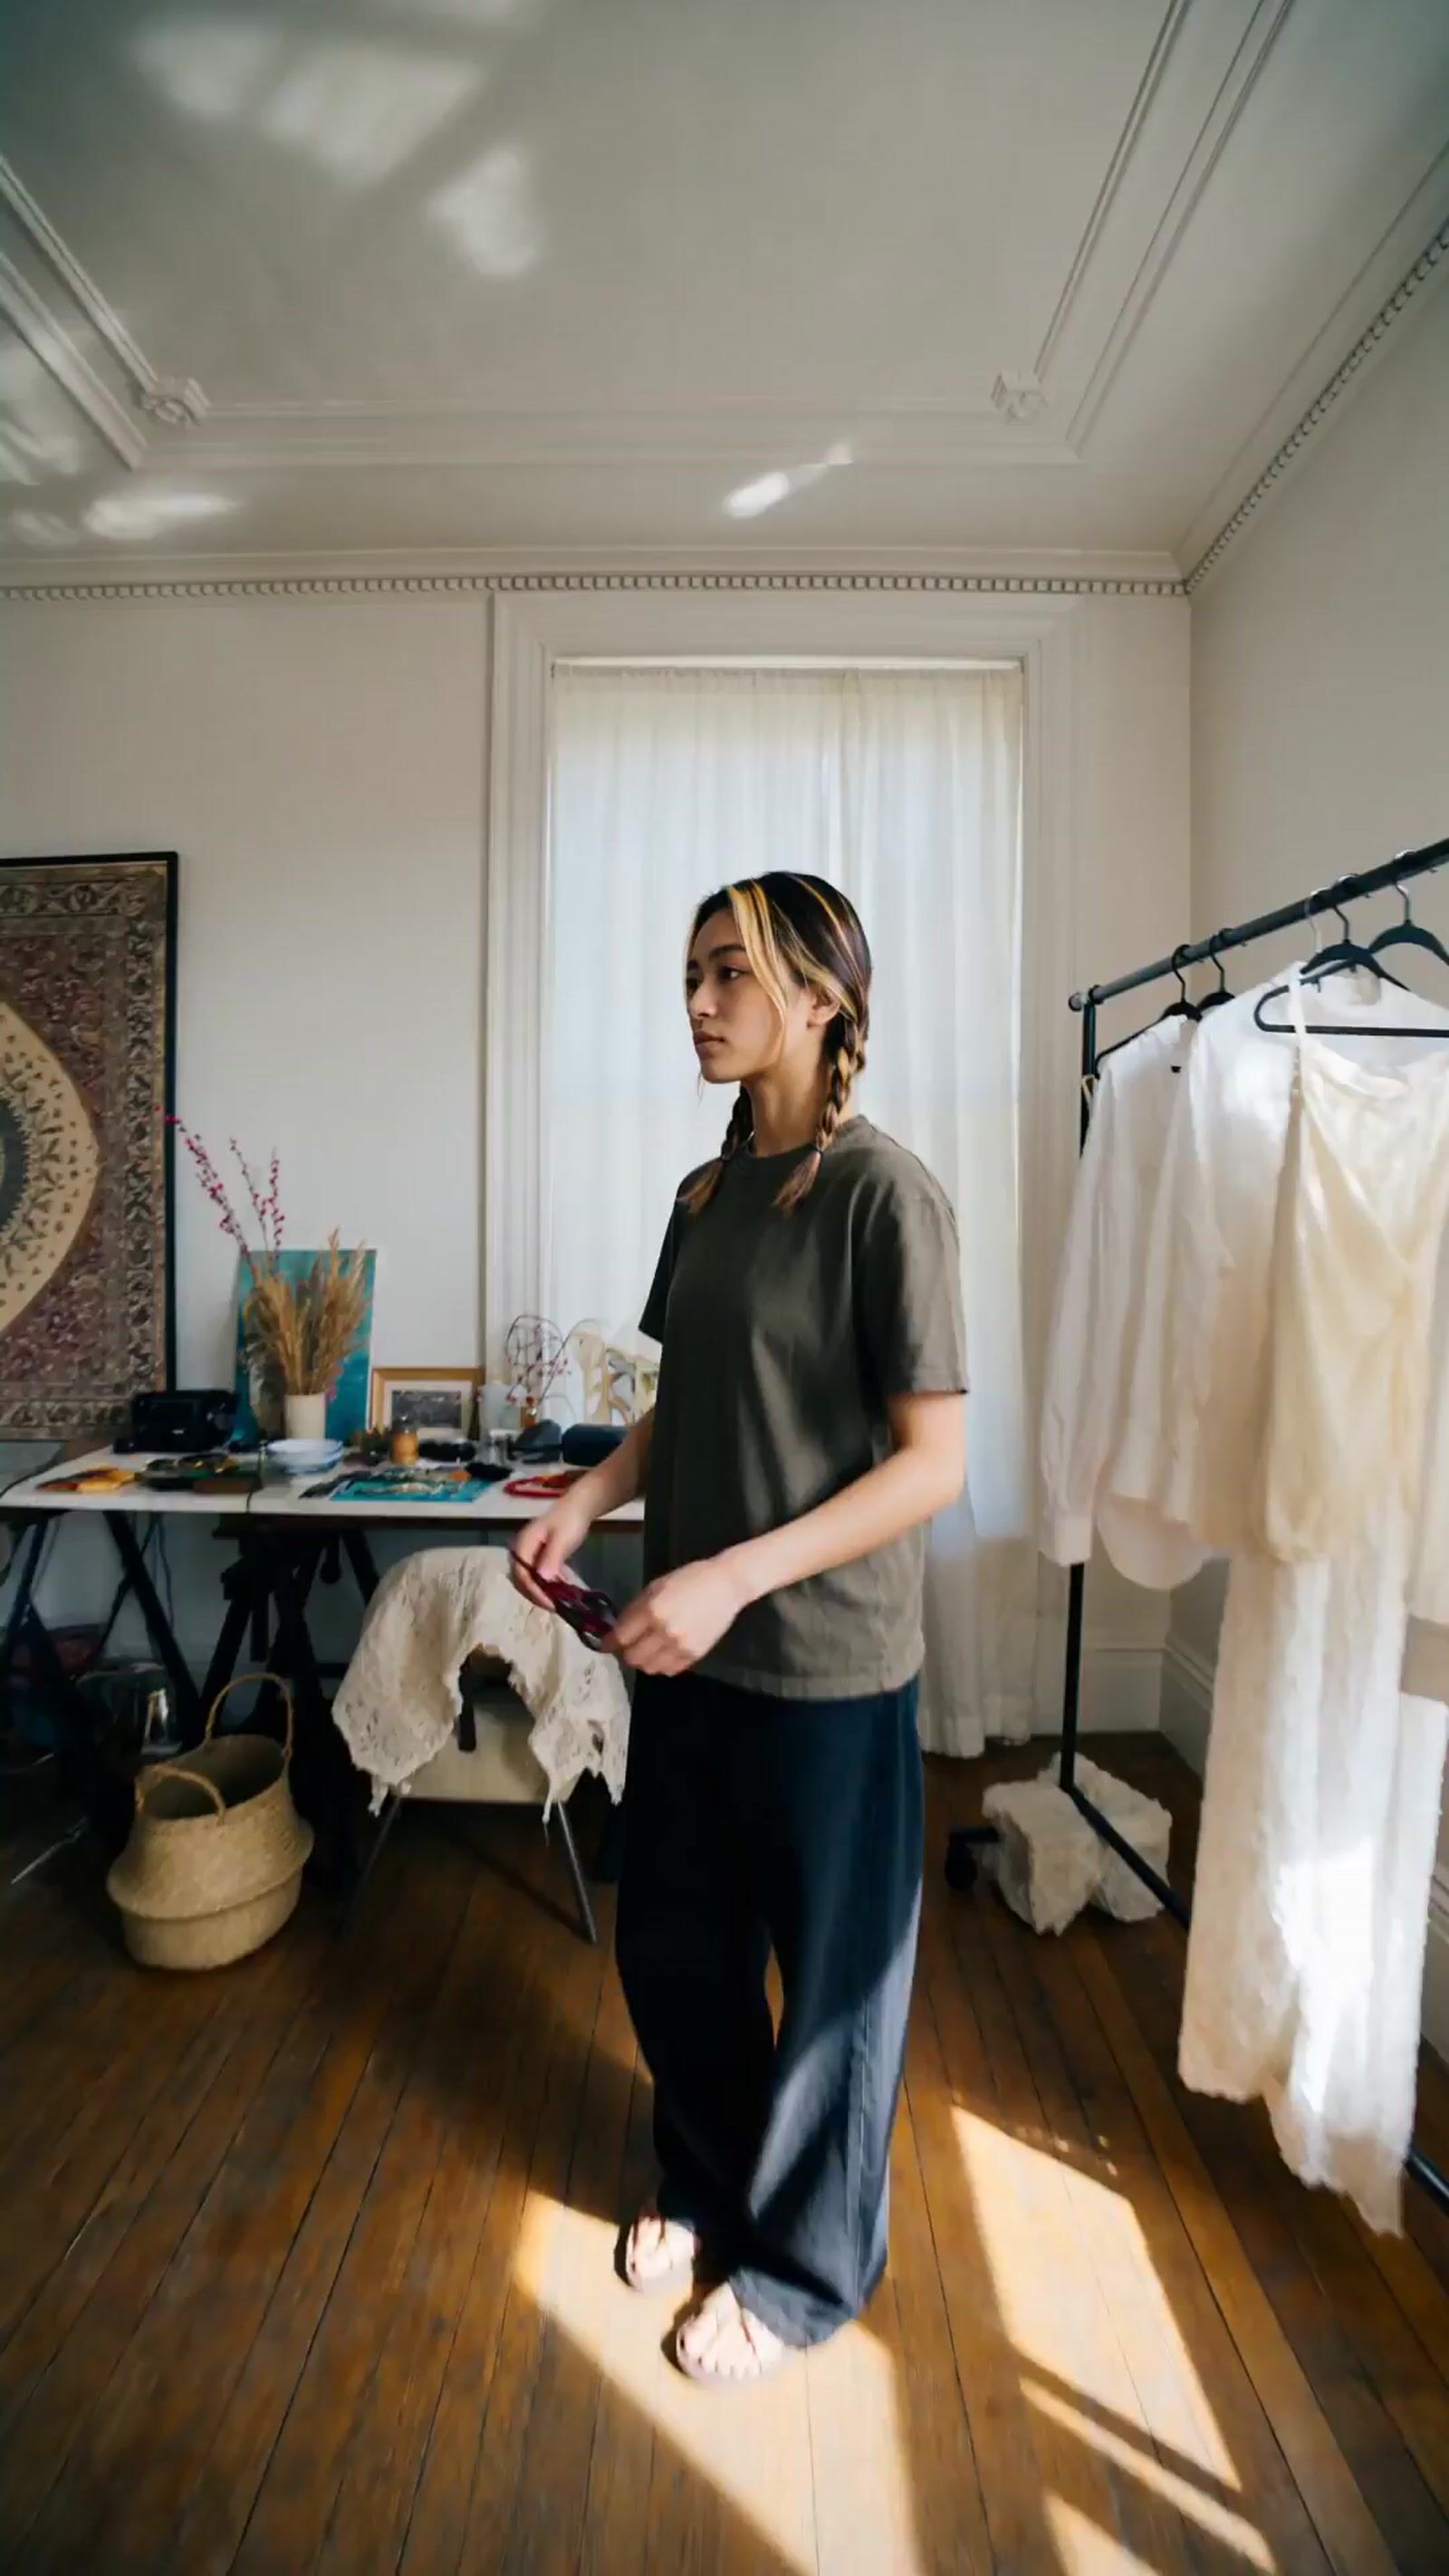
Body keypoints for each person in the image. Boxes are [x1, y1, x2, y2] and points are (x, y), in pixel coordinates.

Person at [511, 871, 967, 2385]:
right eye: (691, 974)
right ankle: (706, 2183)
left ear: (823, 998)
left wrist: (733, 1576)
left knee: (836, 1994)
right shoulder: (704, 1199)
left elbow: (934, 1464)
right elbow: (684, 1406)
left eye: (730, 973)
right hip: (684, 1649)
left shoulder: (887, 1198)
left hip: (828, 1667)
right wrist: (586, 1499)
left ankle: (808, 2271)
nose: (697, 1002)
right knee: (676, 1950)